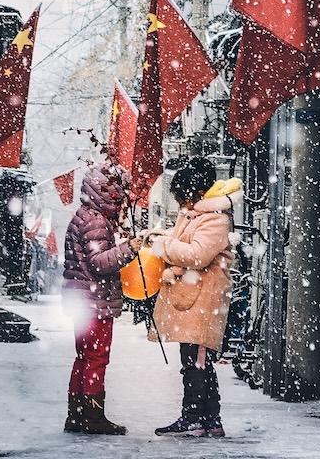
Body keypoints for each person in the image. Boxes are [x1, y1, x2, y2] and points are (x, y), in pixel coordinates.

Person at [148, 157, 239, 438]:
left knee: (196, 361)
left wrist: (165, 245)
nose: (179, 203)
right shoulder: (196, 215)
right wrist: (159, 237)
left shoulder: (213, 219)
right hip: (194, 299)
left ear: (195, 192)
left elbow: (197, 255)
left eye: (181, 196)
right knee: (196, 360)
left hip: (204, 300)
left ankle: (194, 416)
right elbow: (184, 244)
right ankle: (210, 420)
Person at [62, 163, 141, 435]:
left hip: (82, 302)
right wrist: (130, 248)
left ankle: (77, 414)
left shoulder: (82, 216)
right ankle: (93, 417)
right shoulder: (95, 221)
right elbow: (99, 262)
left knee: (83, 357)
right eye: (117, 192)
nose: (120, 198)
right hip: (94, 302)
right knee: (96, 358)